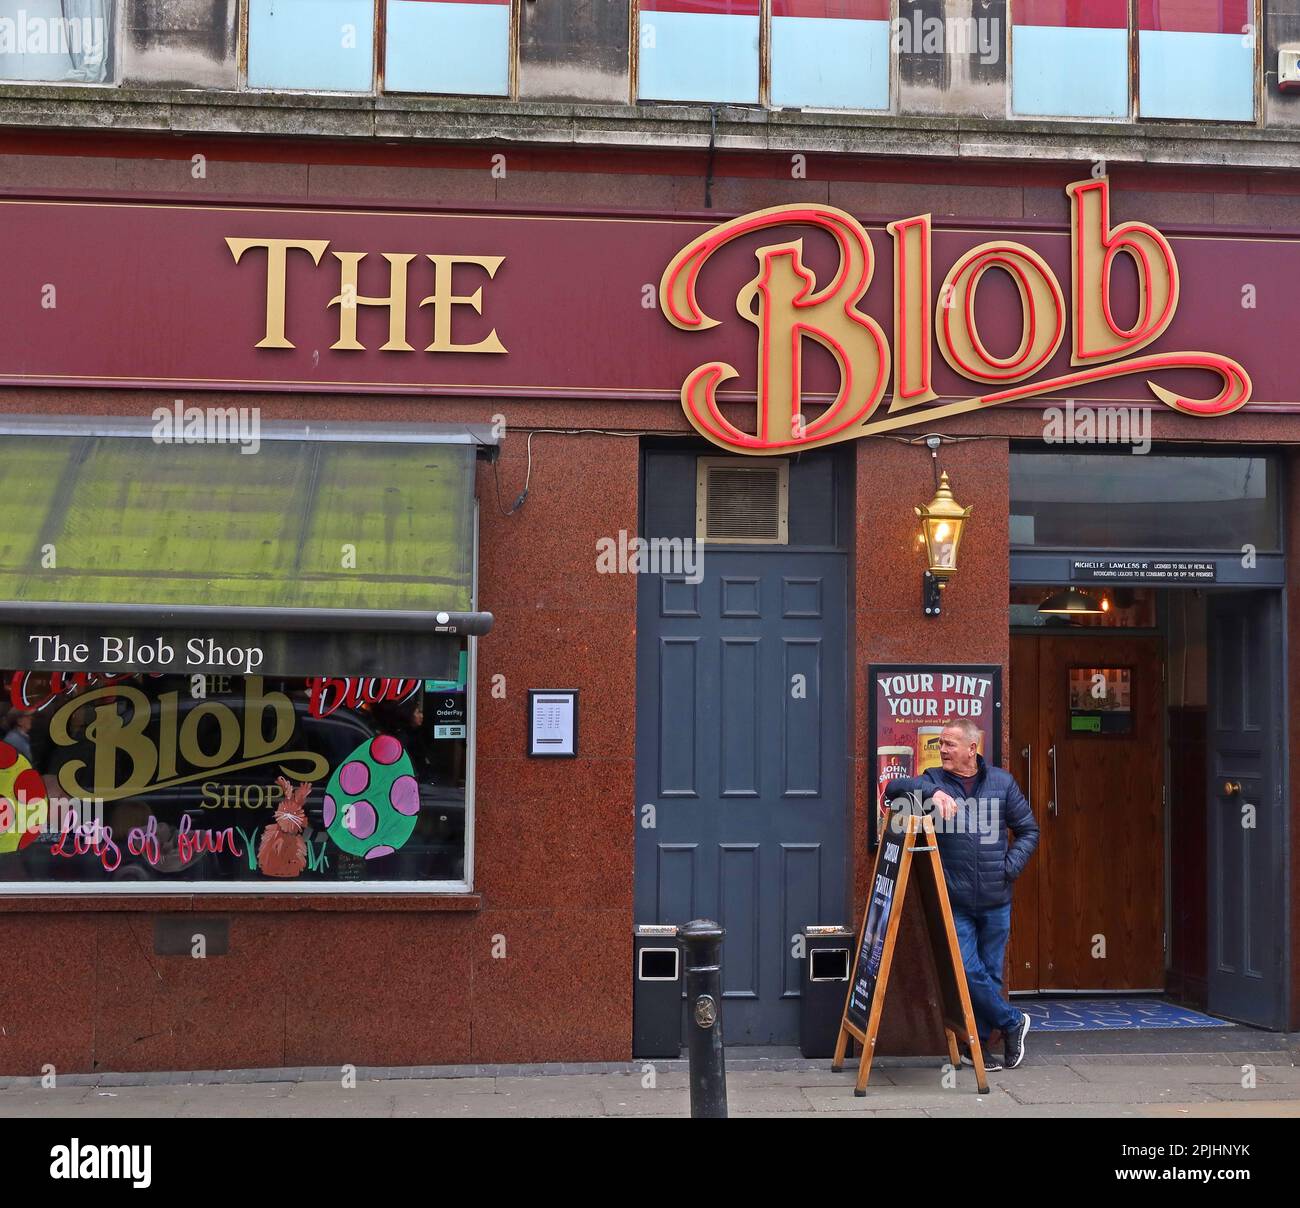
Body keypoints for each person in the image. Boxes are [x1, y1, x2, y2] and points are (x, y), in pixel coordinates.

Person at [885, 716, 1038, 1071]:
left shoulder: (1002, 782)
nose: (943, 750)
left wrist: (1008, 868)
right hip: (954, 898)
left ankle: (978, 1048)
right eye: (940, 743)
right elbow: (893, 790)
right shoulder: (933, 780)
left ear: (973, 748)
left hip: (996, 898)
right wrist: (929, 793)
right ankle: (1012, 1020)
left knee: (991, 973)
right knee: (967, 971)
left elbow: (1029, 830)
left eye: (950, 744)